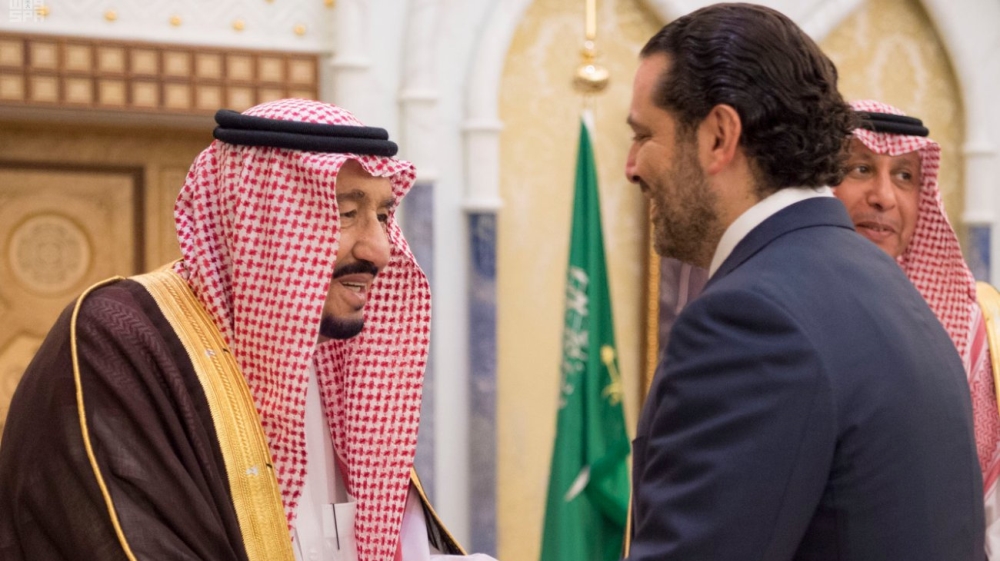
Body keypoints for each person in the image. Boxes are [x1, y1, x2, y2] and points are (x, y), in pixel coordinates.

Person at [0, 99, 485, 561]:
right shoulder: (122, 338)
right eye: (345, 214)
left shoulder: (339, 368)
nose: (379, 250)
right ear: (260, 218)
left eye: (382, 216)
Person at [624, 4, 983, 560]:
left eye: (644, 136)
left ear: (720, 136)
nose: (631, 166)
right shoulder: (892, 293)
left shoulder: (749, 319)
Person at [833, 99, 1000, 558]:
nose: (884, 196)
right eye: (860, 169)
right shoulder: (780, 311)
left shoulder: (971, 327)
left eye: (904, 175)